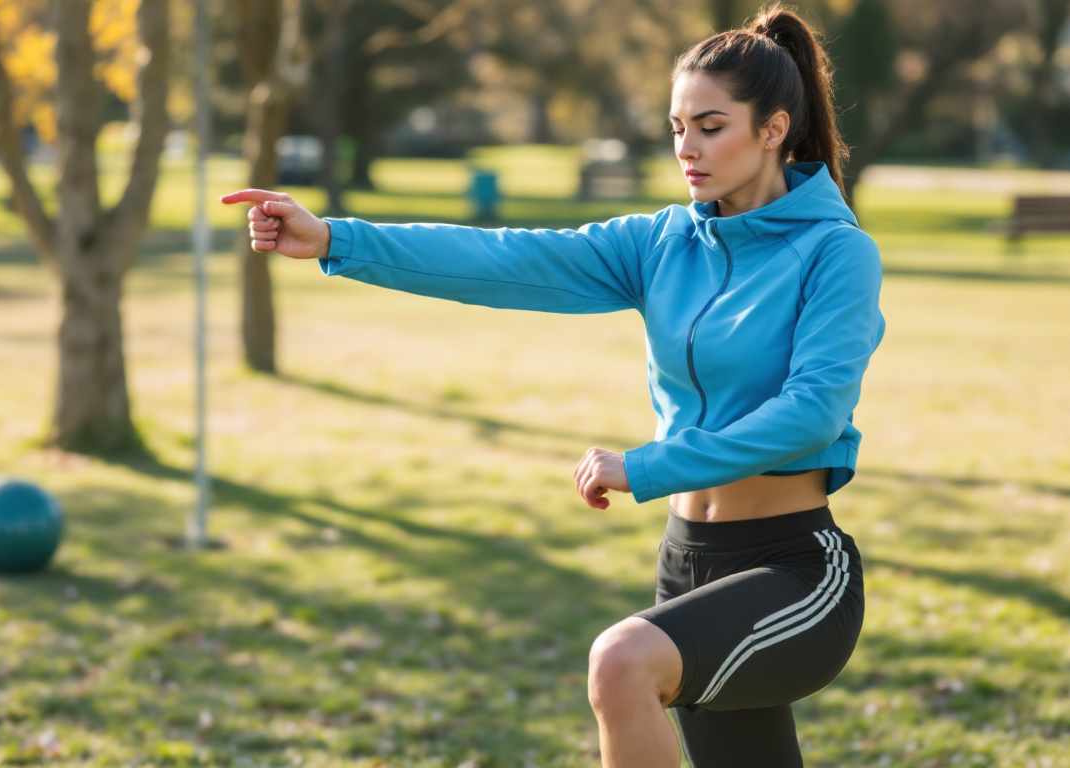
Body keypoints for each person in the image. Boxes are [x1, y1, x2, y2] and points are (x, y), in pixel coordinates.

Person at [221, 4, 884, 765]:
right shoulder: (662, 242)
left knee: (621, 662)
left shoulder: (836, 253)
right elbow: (510, 259)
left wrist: (646, 466)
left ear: (772, 129)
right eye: (676, 128)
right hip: (688, 556)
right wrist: (339, 238)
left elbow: (810, 415)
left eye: (710, 126)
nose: (687, 150)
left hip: (794, 569)